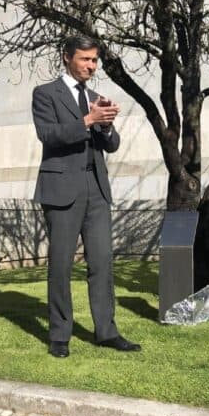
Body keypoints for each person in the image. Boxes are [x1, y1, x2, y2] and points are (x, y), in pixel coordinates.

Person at [32, 36, 140, 358]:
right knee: (61, 265)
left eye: (95, 60)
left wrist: (106, 125)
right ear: (67, 57)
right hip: (62, 189)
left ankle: (106, 332)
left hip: (97, 190)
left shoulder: (96, 97)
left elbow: (112, 144)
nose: (91, 66)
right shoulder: (45, 93)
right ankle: (60, 335)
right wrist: (88, 121)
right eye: (85, 59)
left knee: (103, 263)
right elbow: (48, 134)